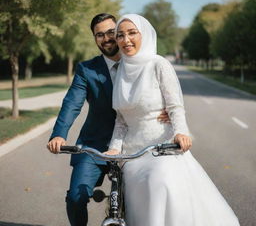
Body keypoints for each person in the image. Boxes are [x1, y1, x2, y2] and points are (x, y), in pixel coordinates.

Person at [106, 14, 240, 226]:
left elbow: (175, 106)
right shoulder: (119, 71)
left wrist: (181, 132)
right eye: (120, 35)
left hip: (163, 148)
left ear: (145, 35)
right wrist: (114, 149)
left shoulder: (159, 64)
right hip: (132, 154)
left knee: (160, 179)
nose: (126, 40)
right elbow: (121, 120)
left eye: (132, 33)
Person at [47, 13, 170, 226]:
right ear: (95, 39)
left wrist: (165, 108)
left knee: (145, 200)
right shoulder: (87, 69)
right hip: (95, 145)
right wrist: (59, 134)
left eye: (111, 32)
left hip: (135, 144)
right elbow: (72, 104)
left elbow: (165, 90)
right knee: (76, 197)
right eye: (99, 35)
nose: (106, 39)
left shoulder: (141, 62)